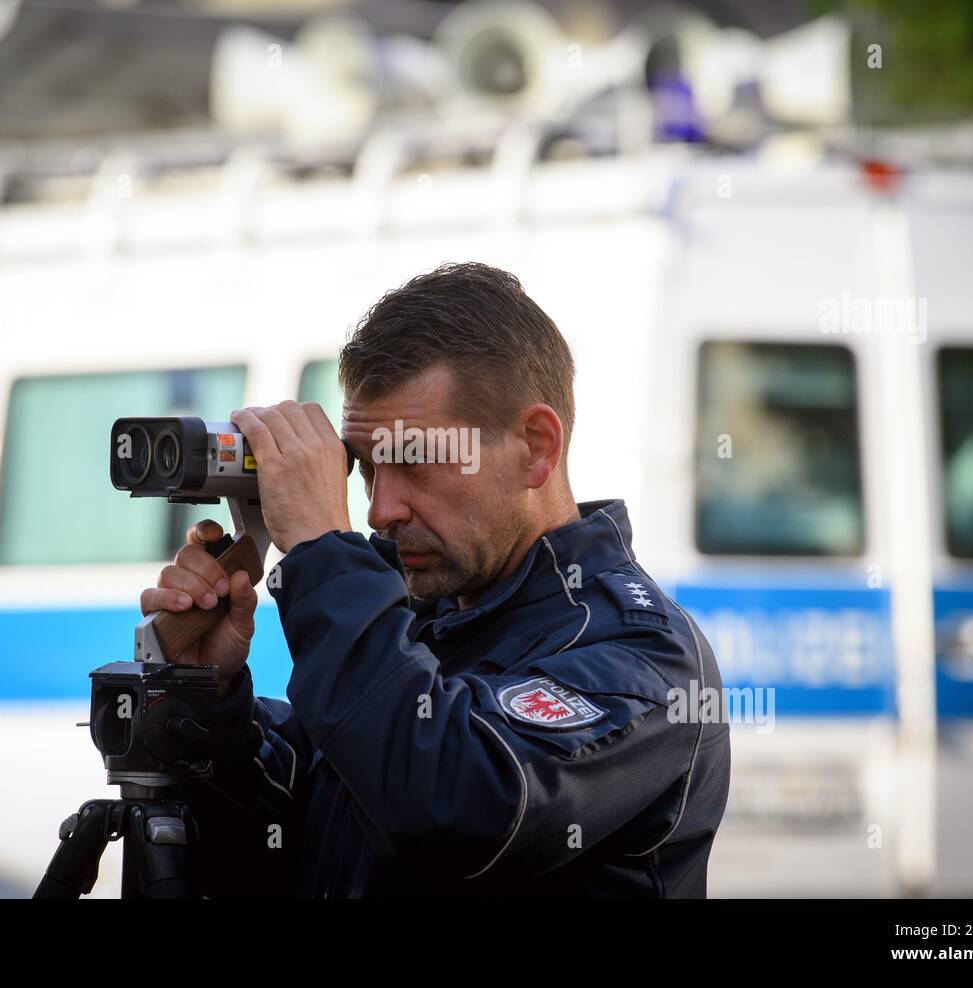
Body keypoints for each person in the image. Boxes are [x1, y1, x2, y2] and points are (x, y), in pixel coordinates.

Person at [141, 261, 731, 897]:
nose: (379, 510)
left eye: (414, 458)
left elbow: (457, 810)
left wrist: (320, 552)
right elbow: (285, 842)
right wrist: (209, 694)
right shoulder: (412, 615)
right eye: (365, 467)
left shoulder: (641, 653)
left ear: (535, 446)